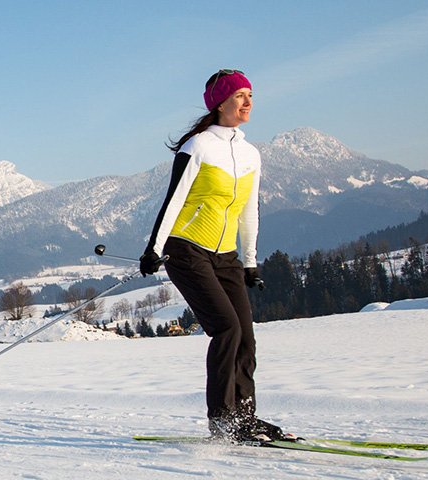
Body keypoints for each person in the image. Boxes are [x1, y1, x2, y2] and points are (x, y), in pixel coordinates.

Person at [139, 69, 289, 443]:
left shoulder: (250, 154)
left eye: (251, 95)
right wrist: (154, 249)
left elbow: (248, 210)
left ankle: (245, 418)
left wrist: (250, 261)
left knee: (246, 339)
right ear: (220, 103)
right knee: (227, 329)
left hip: (226, 256)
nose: (248, 102)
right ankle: (224, 421)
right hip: (186, 250)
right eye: (240, 95)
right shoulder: (198, 147)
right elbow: (173, 200)